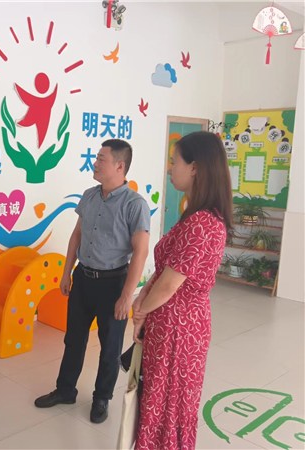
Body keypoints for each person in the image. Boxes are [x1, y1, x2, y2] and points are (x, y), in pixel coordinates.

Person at [34, 139, 150, 424]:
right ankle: (65, 390)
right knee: (73, 339)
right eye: (96, 158)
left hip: (114, 283)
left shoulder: (134, 204)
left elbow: (141, 251)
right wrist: (66, 272)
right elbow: (77, 234)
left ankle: (102, 398)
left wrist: (127, 295)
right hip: (83, 278)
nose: (95, 163)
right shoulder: (89, 195)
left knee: (109, 347)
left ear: (119, 166)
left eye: (101, 159)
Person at [132, 131, 232, 449]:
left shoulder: (202, 223)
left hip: (179, 327)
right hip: (175, 322)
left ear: (195, 168)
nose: (169, 168)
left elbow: (170, 284)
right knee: (162, 397)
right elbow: (165, 272)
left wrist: (140, 311)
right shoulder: (196, 216)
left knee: (168, 400)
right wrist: (144, 298)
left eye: (174, 161)